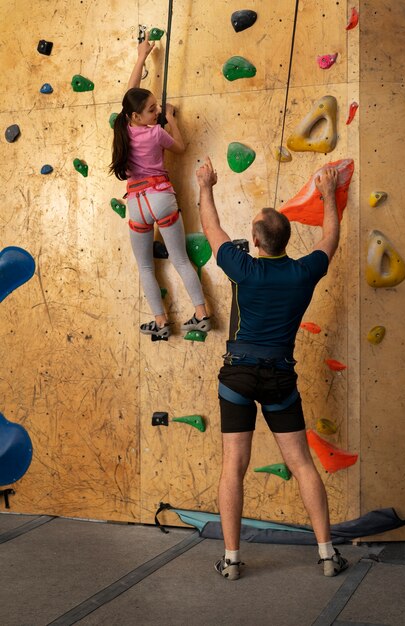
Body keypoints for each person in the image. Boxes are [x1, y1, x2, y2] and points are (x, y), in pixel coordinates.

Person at [195, 156, 348, 580]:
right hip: (280, 376)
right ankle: (326, 556)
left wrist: (206, 186)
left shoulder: (243, 269)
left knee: (233, 466)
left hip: (239, 375)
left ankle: (231, 560)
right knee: (301, 464)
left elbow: (211, 228)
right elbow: (331, 238)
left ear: (256, 241)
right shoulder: (303, 272)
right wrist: (328, 195)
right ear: (285, 240)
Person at [109, 31, 210, 340]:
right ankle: (201, 314)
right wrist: (170, 119)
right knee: (179, 259)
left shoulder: (124, 127)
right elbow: (181, 146)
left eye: (156, 108)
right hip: (161, 198)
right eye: (152, 109)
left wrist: (142, 56)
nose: (155, 112)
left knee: (146, 268)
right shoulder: (156, 133)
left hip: (137, 203)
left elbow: (131, 90)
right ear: (138, 115)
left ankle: (161, 323)